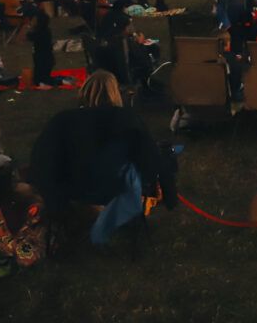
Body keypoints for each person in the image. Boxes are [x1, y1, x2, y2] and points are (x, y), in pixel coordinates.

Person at [29, 71, 173, 241]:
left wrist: (52, 193)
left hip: (71, 188)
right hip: (114, 188)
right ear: (115, 92)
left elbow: (41, 159)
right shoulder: (126, 118)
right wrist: (167, 191)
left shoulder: (63, 120)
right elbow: (149, 159)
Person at [27, 9, 56, 88]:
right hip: (44, 59)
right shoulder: (45, 31)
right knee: (39, 78)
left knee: (40, 80)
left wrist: (27, 26)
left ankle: (60, 81)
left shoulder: (40, 33)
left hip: (43, 60)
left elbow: (25, 37)